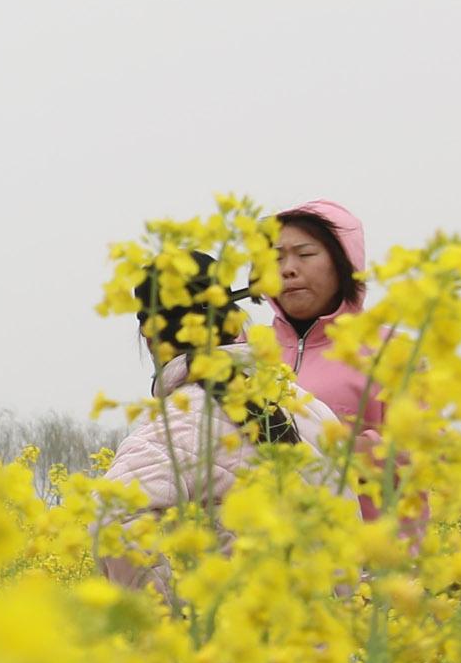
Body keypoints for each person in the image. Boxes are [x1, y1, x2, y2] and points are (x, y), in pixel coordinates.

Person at [99, 251, 342, 593]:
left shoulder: (177, 424)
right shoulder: (310, 409)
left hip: (234, 641)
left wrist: (167, 624)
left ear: (151, 337)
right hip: (328, 639)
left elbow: (114, 516)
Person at [267, 201, 382, 435]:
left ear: (343, 263)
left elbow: (430, 454)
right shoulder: (246, 350)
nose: (287, 269)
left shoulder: (389, 350)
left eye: (305, 254)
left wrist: (354, 452)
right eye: (276, 258)